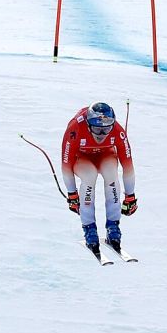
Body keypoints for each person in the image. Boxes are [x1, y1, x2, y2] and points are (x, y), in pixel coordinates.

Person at [60, 101, 137, 253]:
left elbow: (128, 165)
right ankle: (89, 228)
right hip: (82, 158)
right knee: (89, 176)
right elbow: (66, 164)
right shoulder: (75, 129)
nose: (101, 134)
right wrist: (72, 194)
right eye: (97, 129)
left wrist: (130, 196)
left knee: (112, 175)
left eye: (106, 129)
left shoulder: (118, 131)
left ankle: (113, 226)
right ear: (88, 125)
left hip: (105, 155)